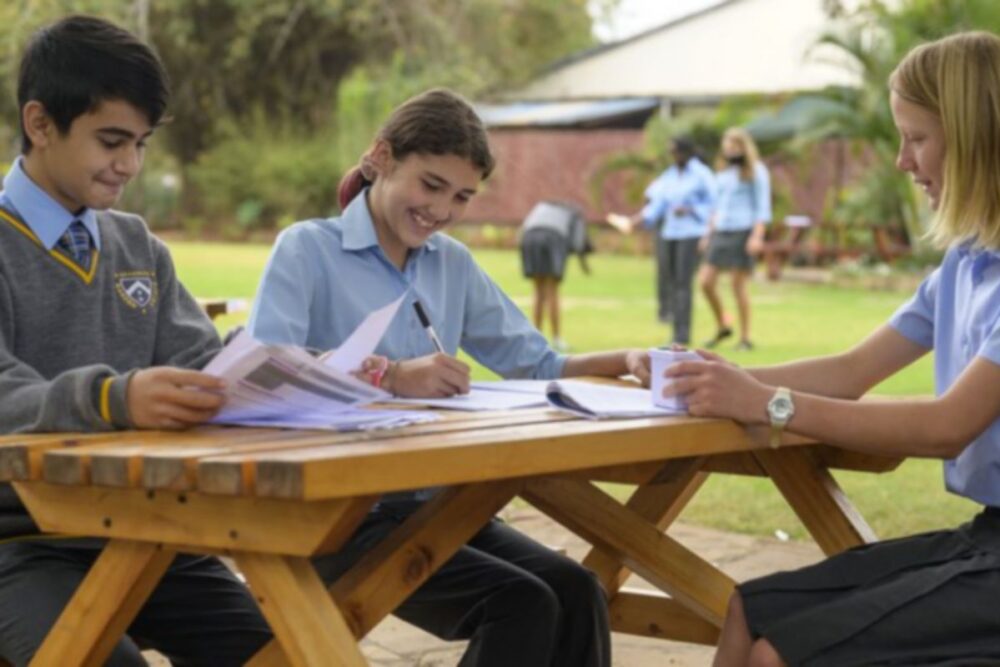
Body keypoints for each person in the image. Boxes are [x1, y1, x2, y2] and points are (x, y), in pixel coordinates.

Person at [248, 88, 651, 666]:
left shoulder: (451, 262)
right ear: (381, 158)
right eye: (430, 185)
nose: (441, 210)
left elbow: (539, 365)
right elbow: (265, 370)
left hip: (436, 506)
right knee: (520, 602)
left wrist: (631, 357)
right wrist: (389, 375)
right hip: (333, 514)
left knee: (578, 590)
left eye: (461, 196)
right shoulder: (307, 249)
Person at [658, 31, 1000, 667]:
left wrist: (768, 403)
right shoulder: (967, 263)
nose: (901, 160)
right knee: (747, 610)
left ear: (977, 137)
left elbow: (948, 426)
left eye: (917, 138)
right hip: (987, 535)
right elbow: (850, 371)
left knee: (779, 654)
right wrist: (715, 377)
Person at [0, 16, 271, 665]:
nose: (130, 164)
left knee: (286, 649)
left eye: (142, 143)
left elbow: (202, 365)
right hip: (19, 543)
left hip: (150, 532)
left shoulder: (136, 246)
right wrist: (113, 399)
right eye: (112, 140)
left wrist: (301, 366)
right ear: (40, 124)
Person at [636, 136, 716, 345]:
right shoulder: (671, 175)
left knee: (683, 283)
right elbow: (658, 203)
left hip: (691, 233)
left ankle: (682, 333)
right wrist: (640, 220)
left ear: (687, 152)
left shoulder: (701, 174)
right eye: (671, 153)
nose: (674, 157)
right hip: (670, 232)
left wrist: (692, 210)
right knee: (670, 281)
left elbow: (715, 203)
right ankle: (674, 329)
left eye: (677, 152)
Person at [699, 128, 771, 351]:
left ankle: (745, 337)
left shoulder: (756, 171)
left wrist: (757, 236)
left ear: (744, 147)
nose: (730, 151)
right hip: (722, 230)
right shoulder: (723, 173)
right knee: (705, 281)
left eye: (735, 146)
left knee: (737, 285)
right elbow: (715, 207)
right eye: (727, 147)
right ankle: (723, 324)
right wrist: (707, 233)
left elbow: (762, 206)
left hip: (743, 230)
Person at [518, 199, 591, 352]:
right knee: (552, 290)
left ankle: (535, 338)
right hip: (553, 238)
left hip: (529, 237)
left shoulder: (541, 206)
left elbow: (523, 228)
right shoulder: (575, 213)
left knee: (538, 291)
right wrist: (584, 265)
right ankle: (557, 339)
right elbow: (578, 243)